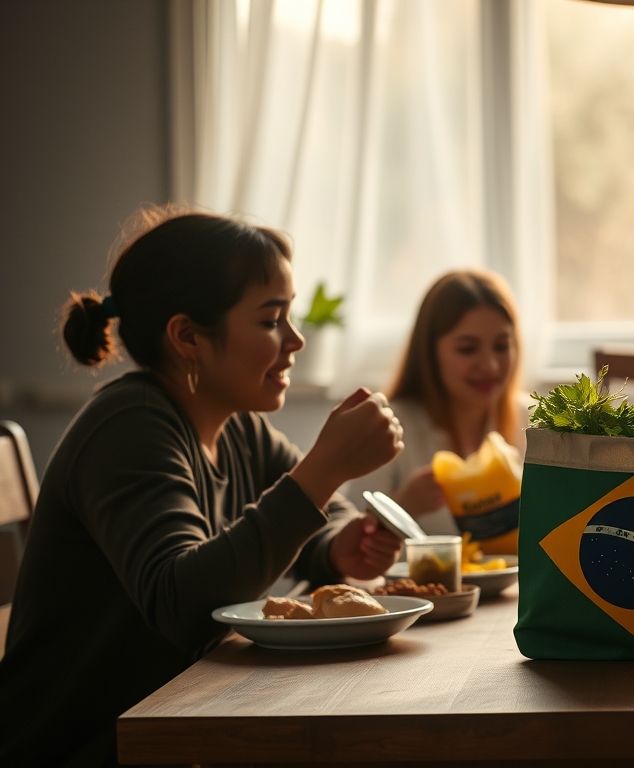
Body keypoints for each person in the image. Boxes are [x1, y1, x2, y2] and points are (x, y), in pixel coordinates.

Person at [0, 209, 406, 766]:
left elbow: (317, 514)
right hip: (87, 745)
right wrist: (326, 468)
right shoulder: (129, 425)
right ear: (188, 336)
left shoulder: (236, 427)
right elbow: (181, 602)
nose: (296, 341)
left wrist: (340, 541)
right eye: (271, 320)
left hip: (180, 723)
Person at [342, 269, 525, 538]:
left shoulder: (531, 421)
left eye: (501, 346)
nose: (490, 365)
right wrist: (404, 504)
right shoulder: (387, 426)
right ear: (429, 352)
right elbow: (344, 539)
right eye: (467, 349)